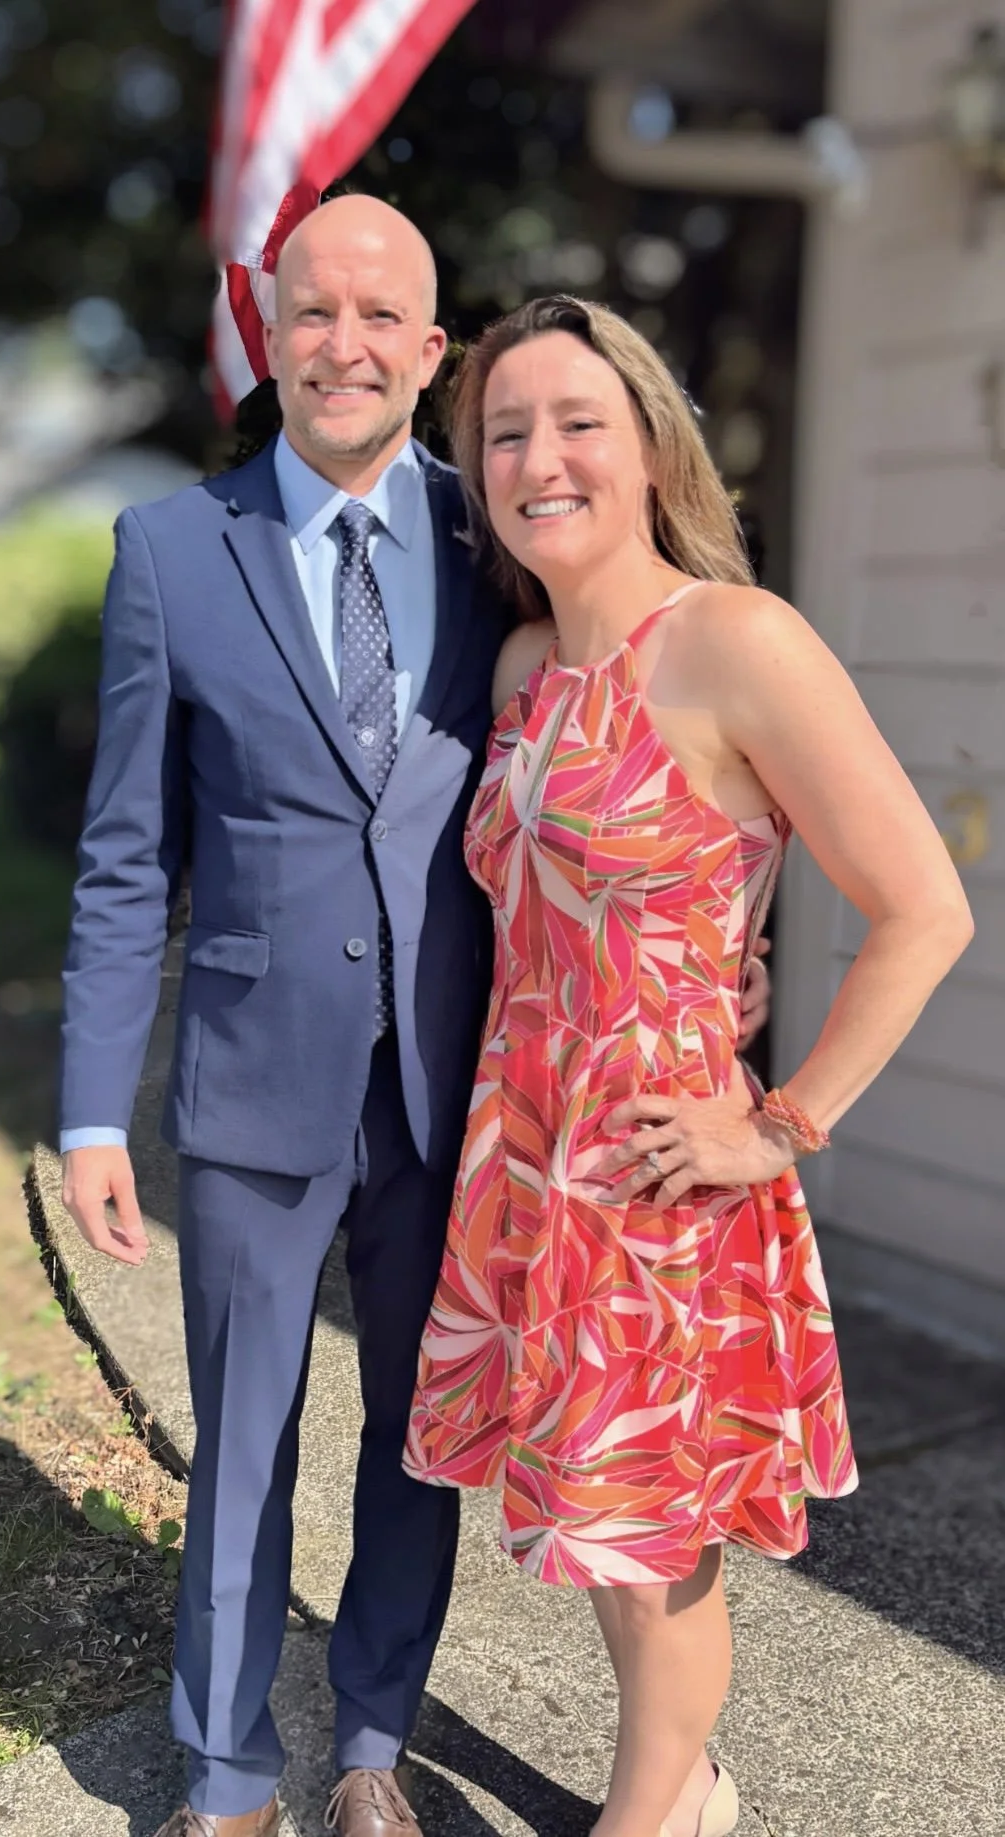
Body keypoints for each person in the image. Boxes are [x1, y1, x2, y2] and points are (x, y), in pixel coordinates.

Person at [60, 202, 770, 1837]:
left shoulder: (498, 533)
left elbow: (663, 740)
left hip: (464, 1096)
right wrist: (94, 1109)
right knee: (240, 1453)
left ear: (429, 352)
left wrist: (724, 952)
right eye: (315, 314)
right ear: (270, 332)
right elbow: (120, 857)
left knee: (415, 1439)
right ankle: (230, 1774)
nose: (347, 345)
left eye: (384, 318)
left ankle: (371, 1746)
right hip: (252, 1083)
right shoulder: (171, 551)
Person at [403, 294, 974, 1837]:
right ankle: (680, 1785)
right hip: (531, 1155)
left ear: (648, 444)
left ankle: (655, 1808)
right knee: (595, 1529)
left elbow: (925, 912)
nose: (540, 457)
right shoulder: (522, 661)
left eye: (576, 420)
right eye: (503, 431)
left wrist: (779, 1124)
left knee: (652, 1540)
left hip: (662, 1168)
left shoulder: (735, 642)